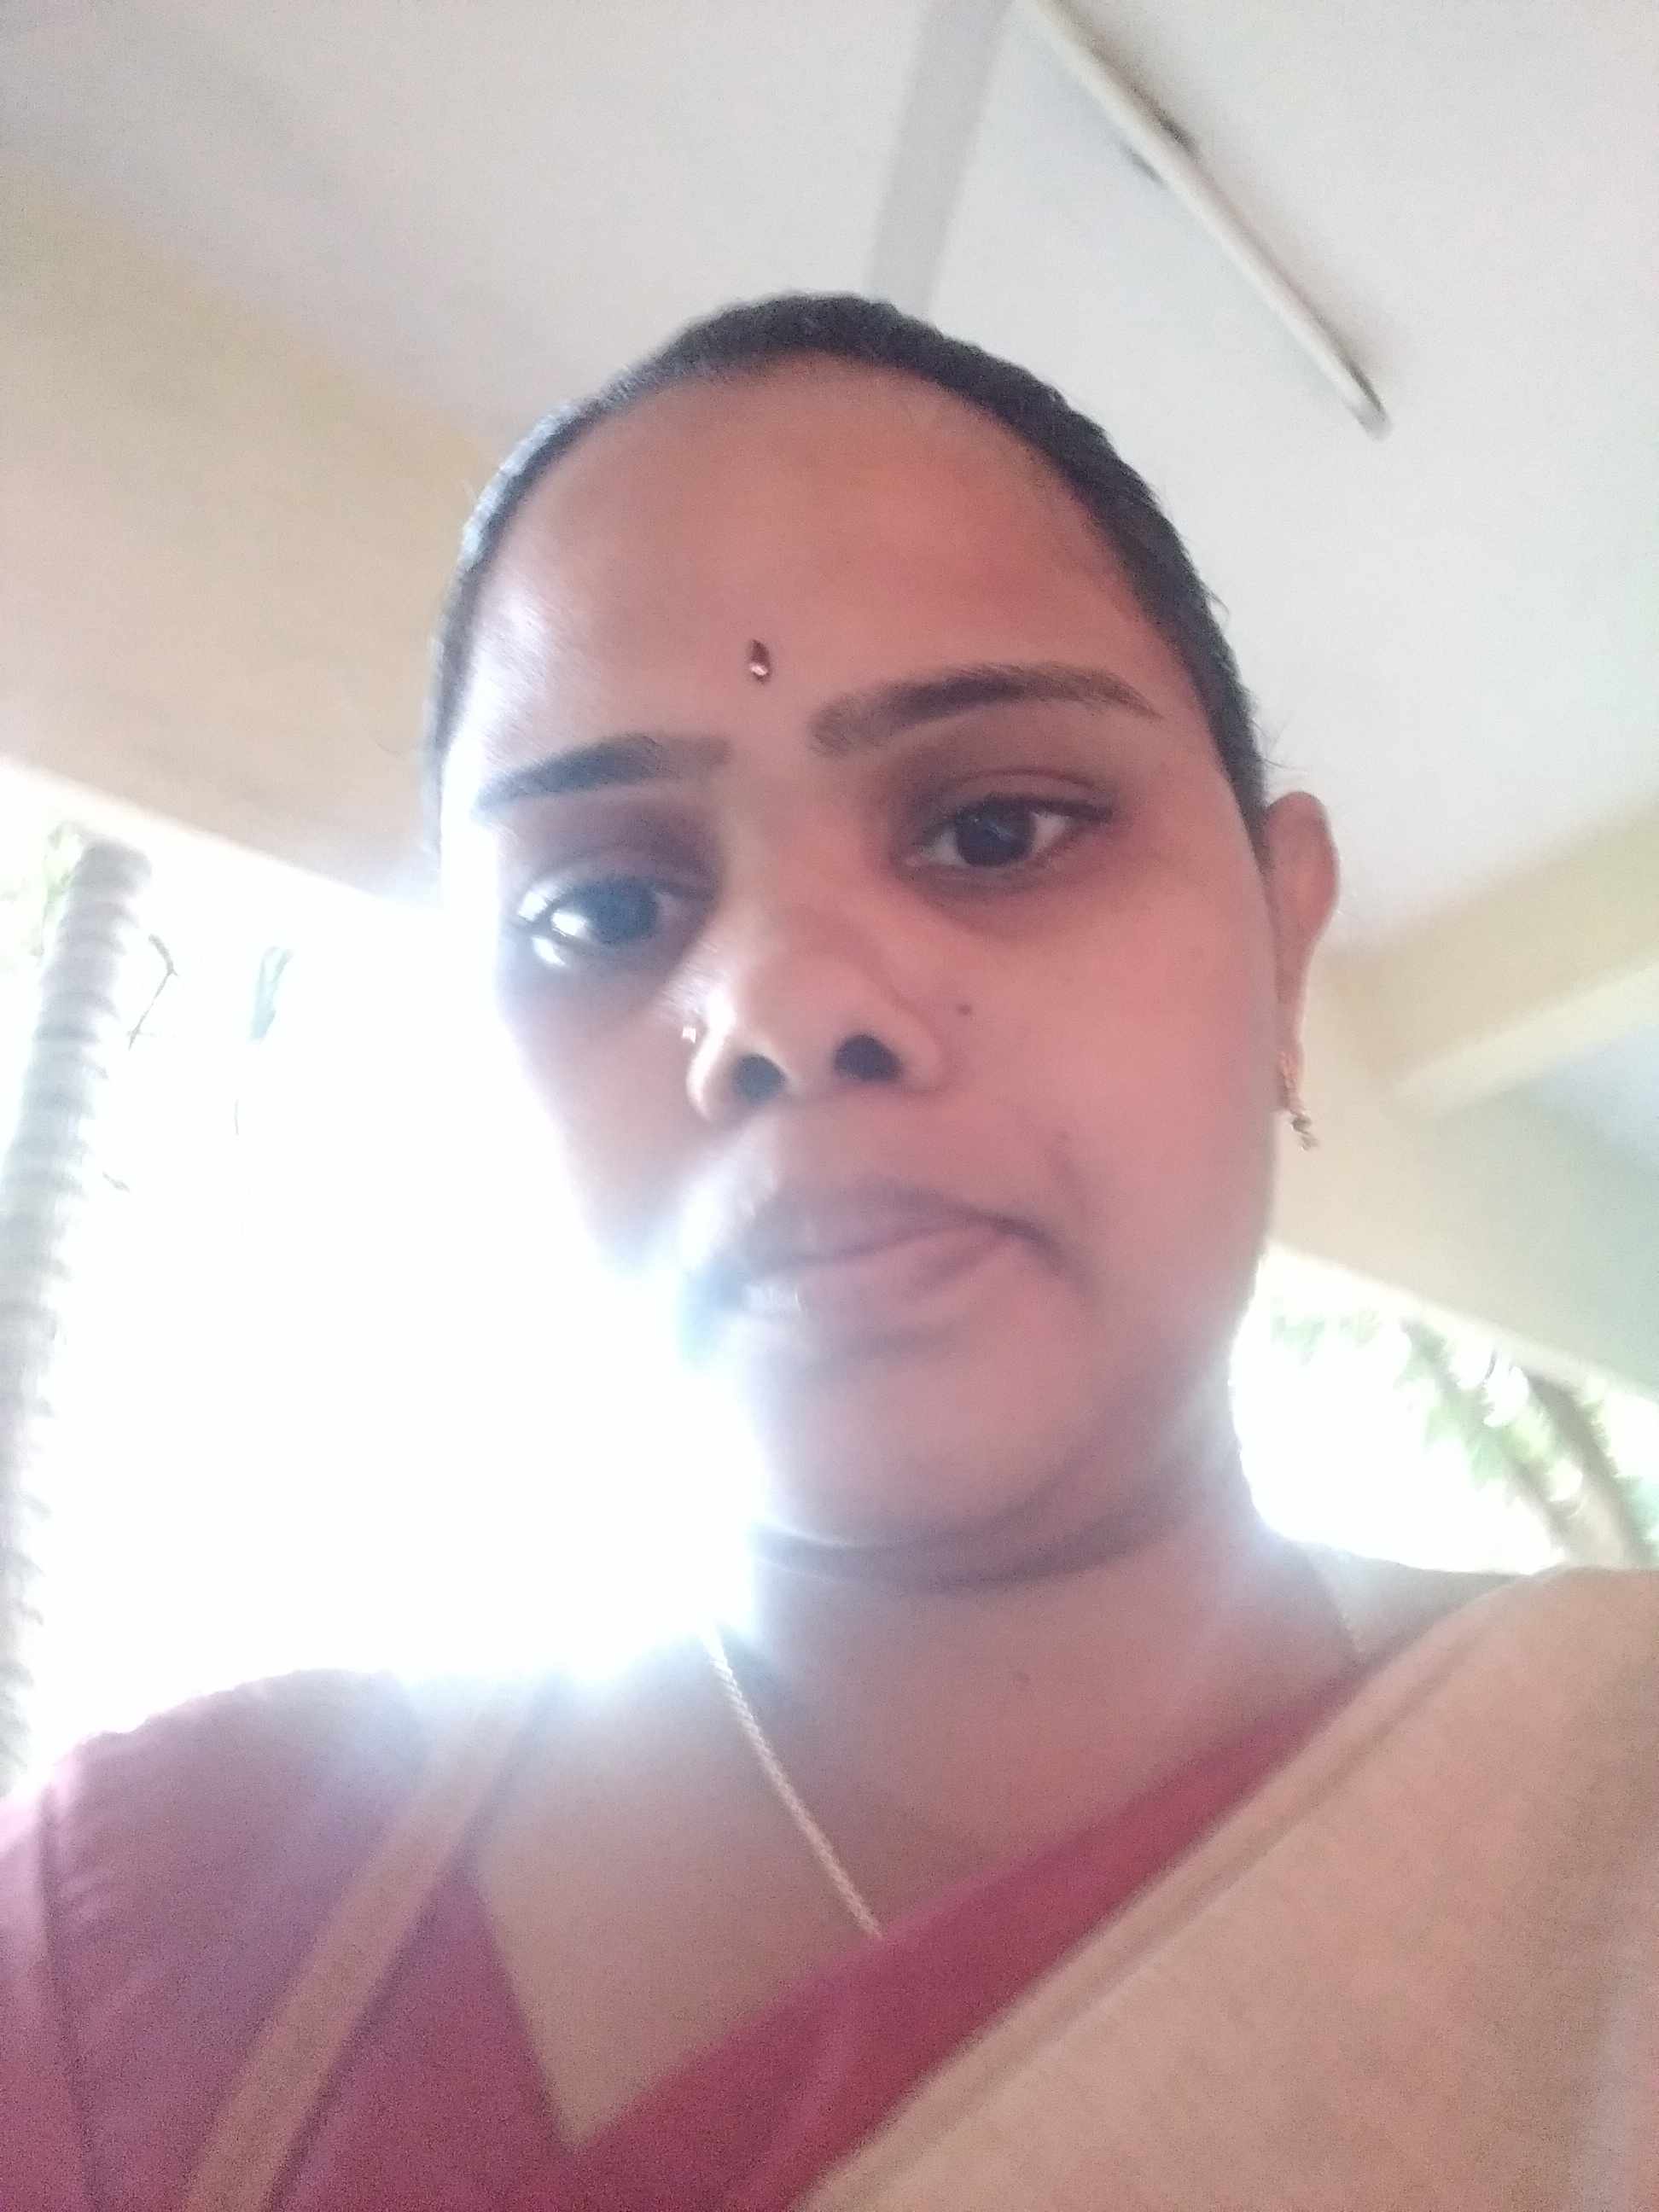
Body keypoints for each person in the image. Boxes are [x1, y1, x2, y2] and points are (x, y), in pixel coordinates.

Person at [3, 296, 1654, 2212]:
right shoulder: (167, 1942)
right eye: (603, 909)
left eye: (997, 829)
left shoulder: (1611, 1794)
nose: (788, 1004)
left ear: (1285, 953)